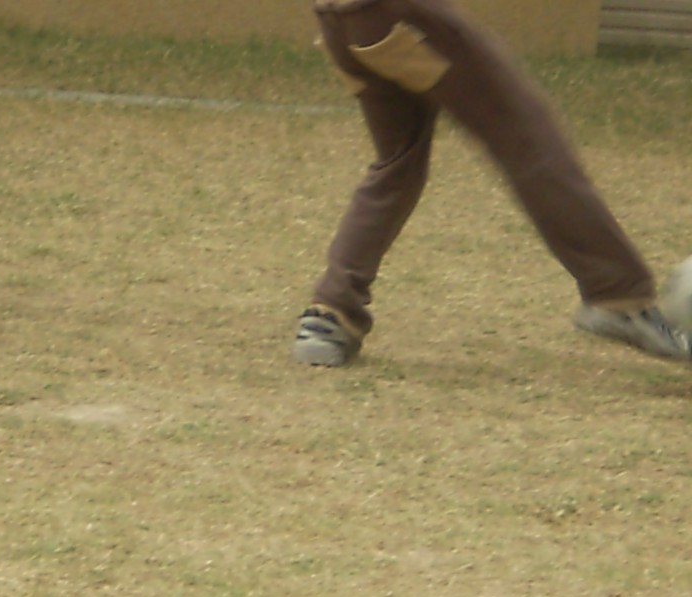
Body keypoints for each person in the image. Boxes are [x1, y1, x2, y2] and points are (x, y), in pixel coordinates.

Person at [293, 0, 692, 366]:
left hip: (340, 23)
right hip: (403, 14)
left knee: (397, 162)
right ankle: (618, 295)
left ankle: (331, 312)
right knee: (529, 140)